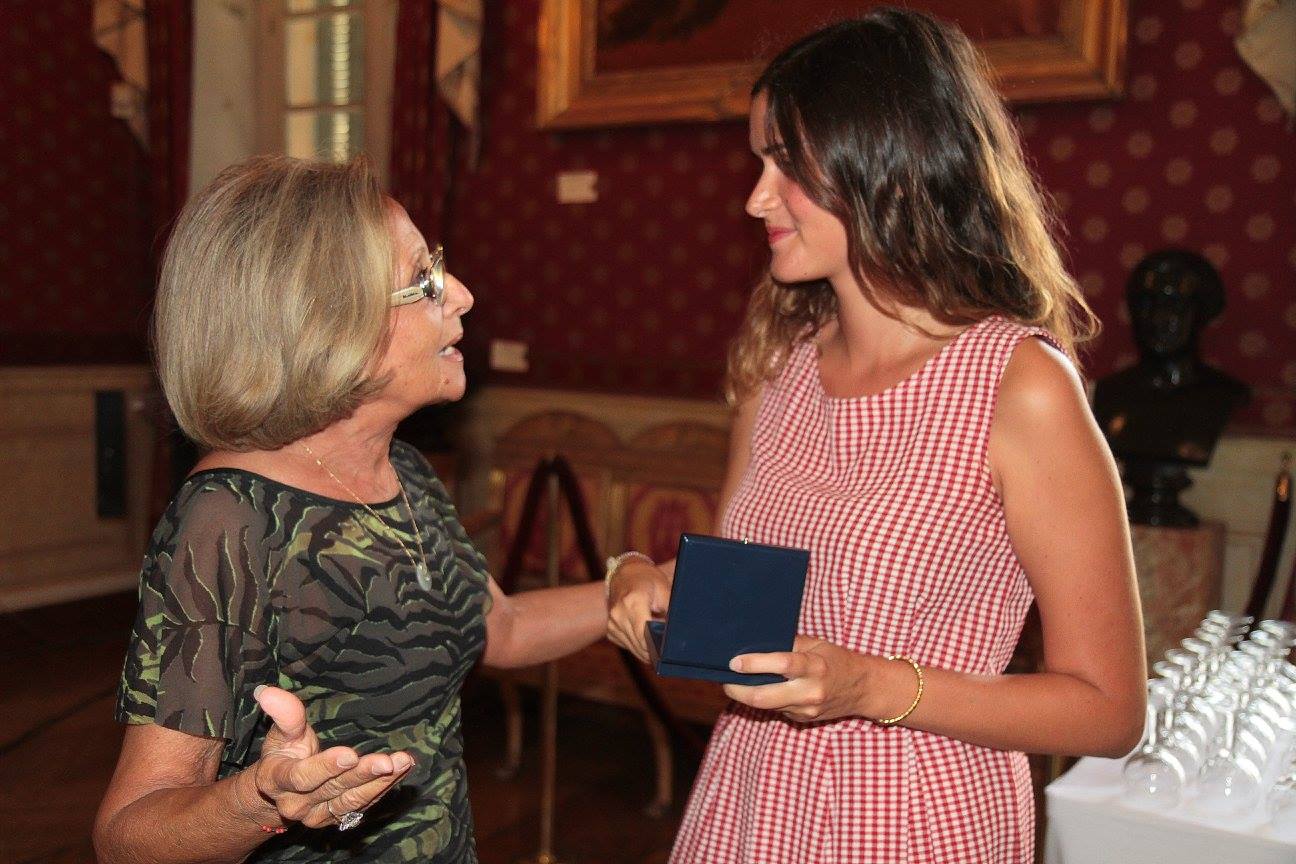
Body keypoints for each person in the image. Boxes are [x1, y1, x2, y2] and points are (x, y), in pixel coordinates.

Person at [606, 10, 1146, 864]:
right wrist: (636, 579)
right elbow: (750, 586)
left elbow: (1110, 711)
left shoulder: (1019, 385)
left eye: (786, 163)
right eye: (758, 161)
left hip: (915, 813)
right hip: (752, 793)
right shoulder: (777, 367)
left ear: (888, 163)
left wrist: (869, 685)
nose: (754, 197)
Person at [93, 156, 608, 864]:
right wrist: (261, 800)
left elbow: (503, 627)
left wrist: (635, 588)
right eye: (424, 279)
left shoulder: (401, 470)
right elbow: (129, 833)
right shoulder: (230, 516)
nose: (460, 294)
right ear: (326, 322)